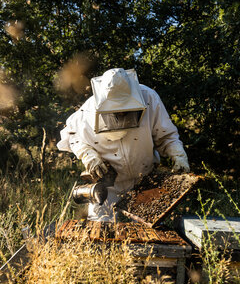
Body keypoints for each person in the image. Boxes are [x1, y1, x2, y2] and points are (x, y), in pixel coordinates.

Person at [57, 68, 190, 221]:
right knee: (100, 229)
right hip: (108, 185)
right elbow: (71, 136)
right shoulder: (87, 111)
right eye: (116, 112)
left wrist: (178, 155)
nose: (121, 115)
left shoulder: (149, 98)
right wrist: (88, 156)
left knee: (147, 233)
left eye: (126, 111)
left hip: (145, 182)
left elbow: (166, 135)